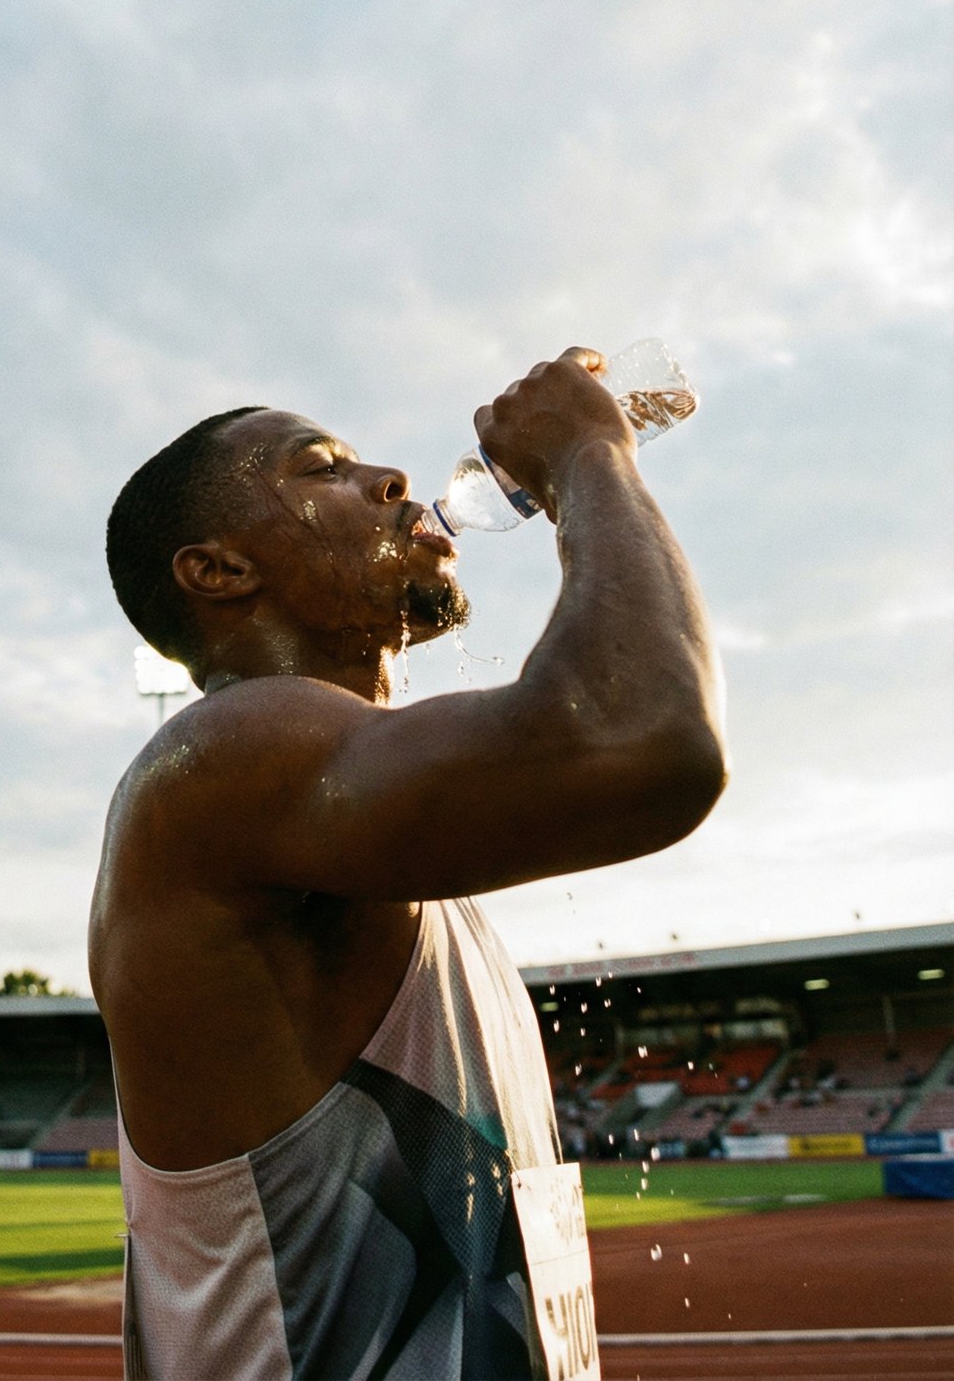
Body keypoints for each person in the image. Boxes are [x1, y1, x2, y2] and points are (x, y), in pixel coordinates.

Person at [90, 349, 727, 1380]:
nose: (387, 479)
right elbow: (649, 738)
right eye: (319, 469)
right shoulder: (225, 760)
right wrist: (586, 453)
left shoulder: (359, 832)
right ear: (218, 570)